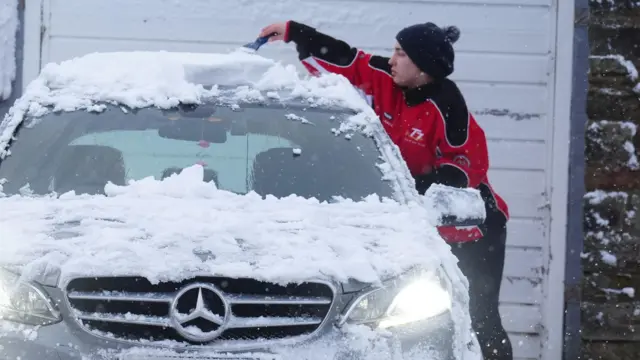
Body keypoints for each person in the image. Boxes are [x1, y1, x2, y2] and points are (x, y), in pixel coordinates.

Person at [259, 21, 513, 360]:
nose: (391, 59)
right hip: (415, 223)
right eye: (394, 50)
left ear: (423, 65)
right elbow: (348, 60)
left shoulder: (448, 105)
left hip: (473, 229)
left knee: (479, 317)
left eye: (401, 53)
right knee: (416, 322)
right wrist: (295, 32)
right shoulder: (387, 80)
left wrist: (411, 188)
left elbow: (464, 167)